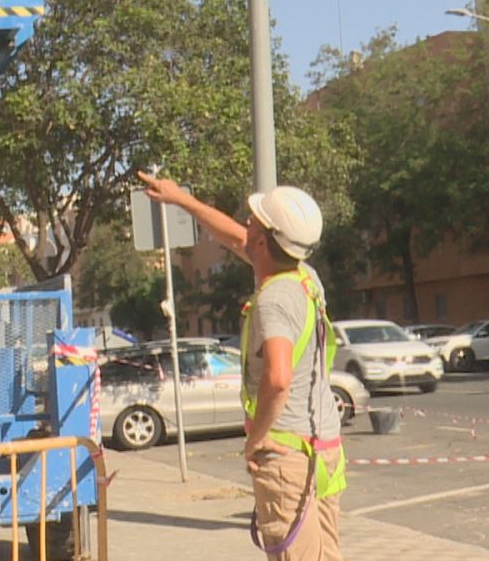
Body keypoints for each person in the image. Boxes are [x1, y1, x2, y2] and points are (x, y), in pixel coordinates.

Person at [136, 172, 345, 560]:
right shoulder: (305, 278)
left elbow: (278, 378)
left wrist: (256, 439)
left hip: (287, 456)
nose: (245, 224)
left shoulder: (274, 300)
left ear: (263, 242)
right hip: (324, 449)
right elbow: (236, 239)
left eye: (252, 221)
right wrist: (183, 200)